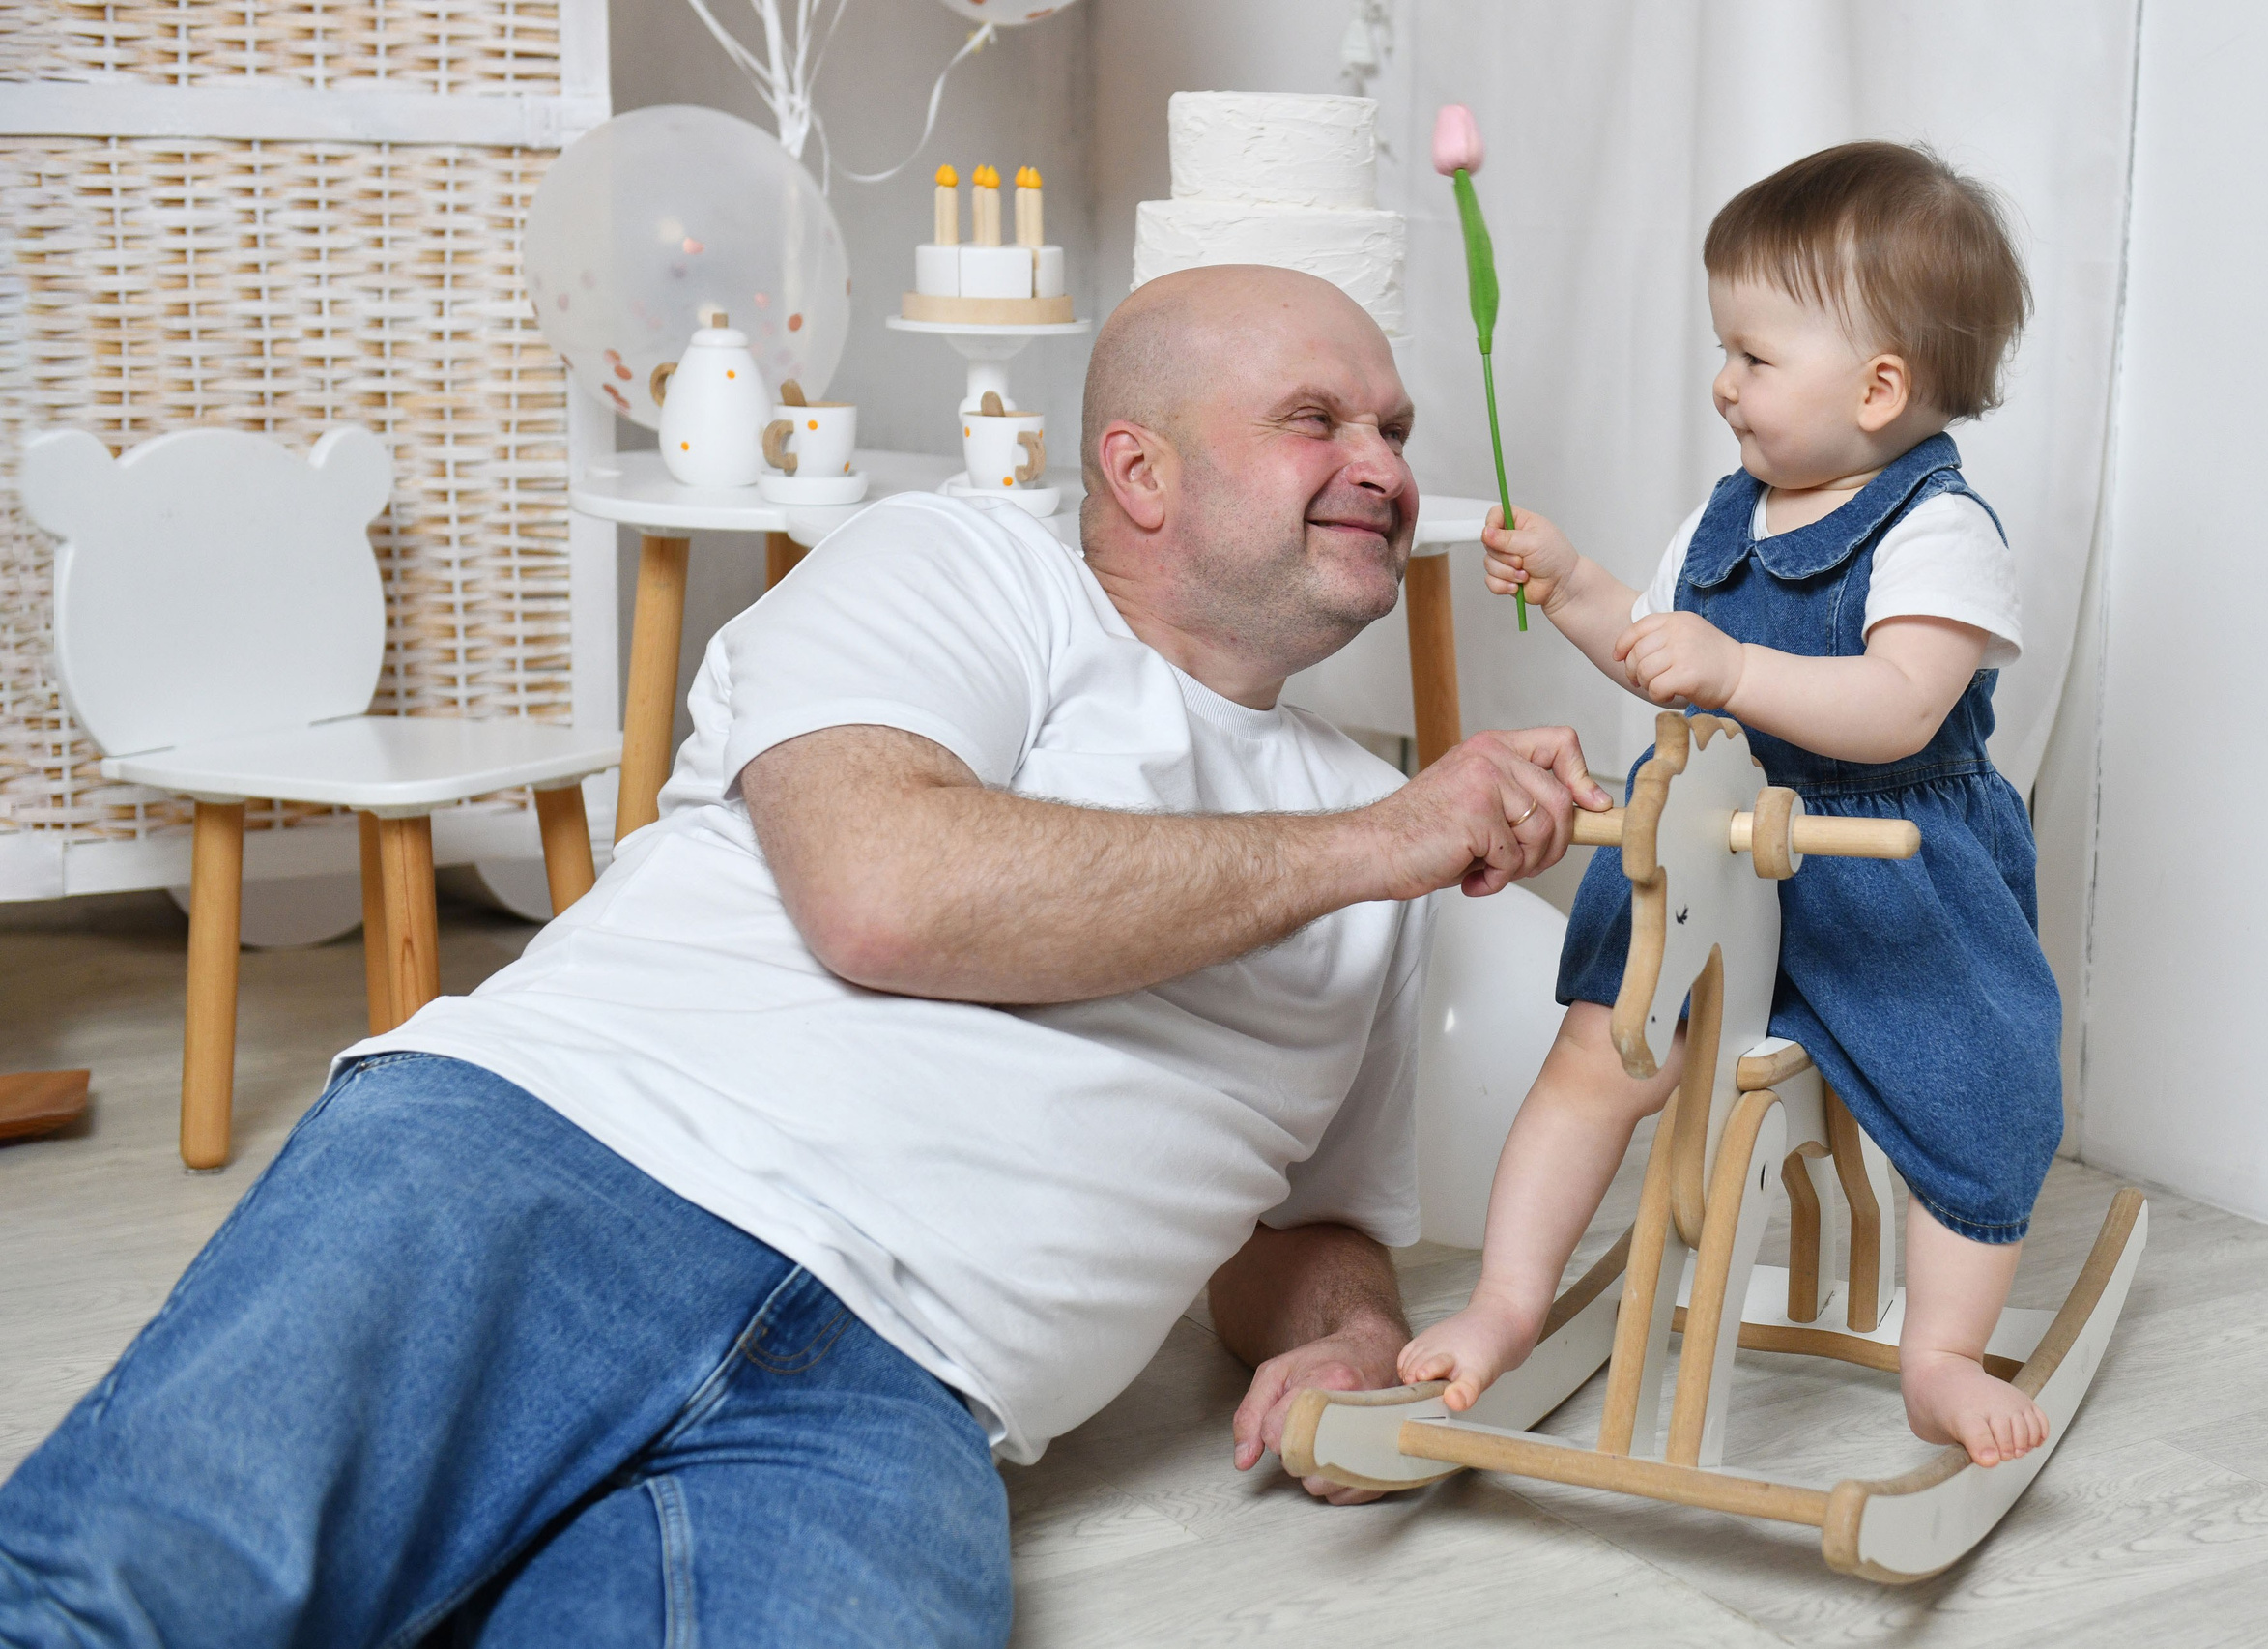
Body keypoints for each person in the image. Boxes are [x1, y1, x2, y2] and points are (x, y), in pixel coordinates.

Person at [0, 264, 1608, 1646]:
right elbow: (884, 891)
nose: (1385, 466)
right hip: (562, 1169)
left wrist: (1341, 1325)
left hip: (904, 1400)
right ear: (1140, 469)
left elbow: (1306, 1219)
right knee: (125, 1602)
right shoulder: (961, 570)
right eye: (1318, 419)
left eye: (1397, 430)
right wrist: (1380, 842)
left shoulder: (1376, 852)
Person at [1396, 142, 2063, 1469]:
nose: (1724, 382)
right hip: (1703, 840)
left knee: (1981, 1085)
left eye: (1754, 356)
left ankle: (1938, 1349)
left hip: (1881, 866)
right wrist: (1578, 582)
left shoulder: (1936, 528)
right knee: (1597, 1057)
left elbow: (1900, 706)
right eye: (1725, 349)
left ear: (1881, 388)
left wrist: (1740, 668)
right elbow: (1660, 643)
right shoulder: (1726, 517)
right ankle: (1509, 1299)